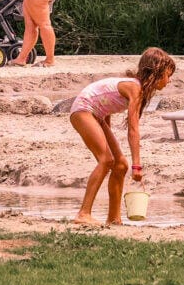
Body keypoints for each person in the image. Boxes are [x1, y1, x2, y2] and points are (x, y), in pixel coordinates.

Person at [68, 48, 177, 227]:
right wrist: (137, 166)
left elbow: (105, 103)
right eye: (167, 75)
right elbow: (133, 130)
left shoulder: (137, 88)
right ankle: (83, 213)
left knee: (120, 165)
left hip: (97, 114)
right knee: (106, 160)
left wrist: (105, 132)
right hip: (83, 110)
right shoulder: (135, 88)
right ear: (156, 73)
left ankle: (114, 218)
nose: (169, 80)